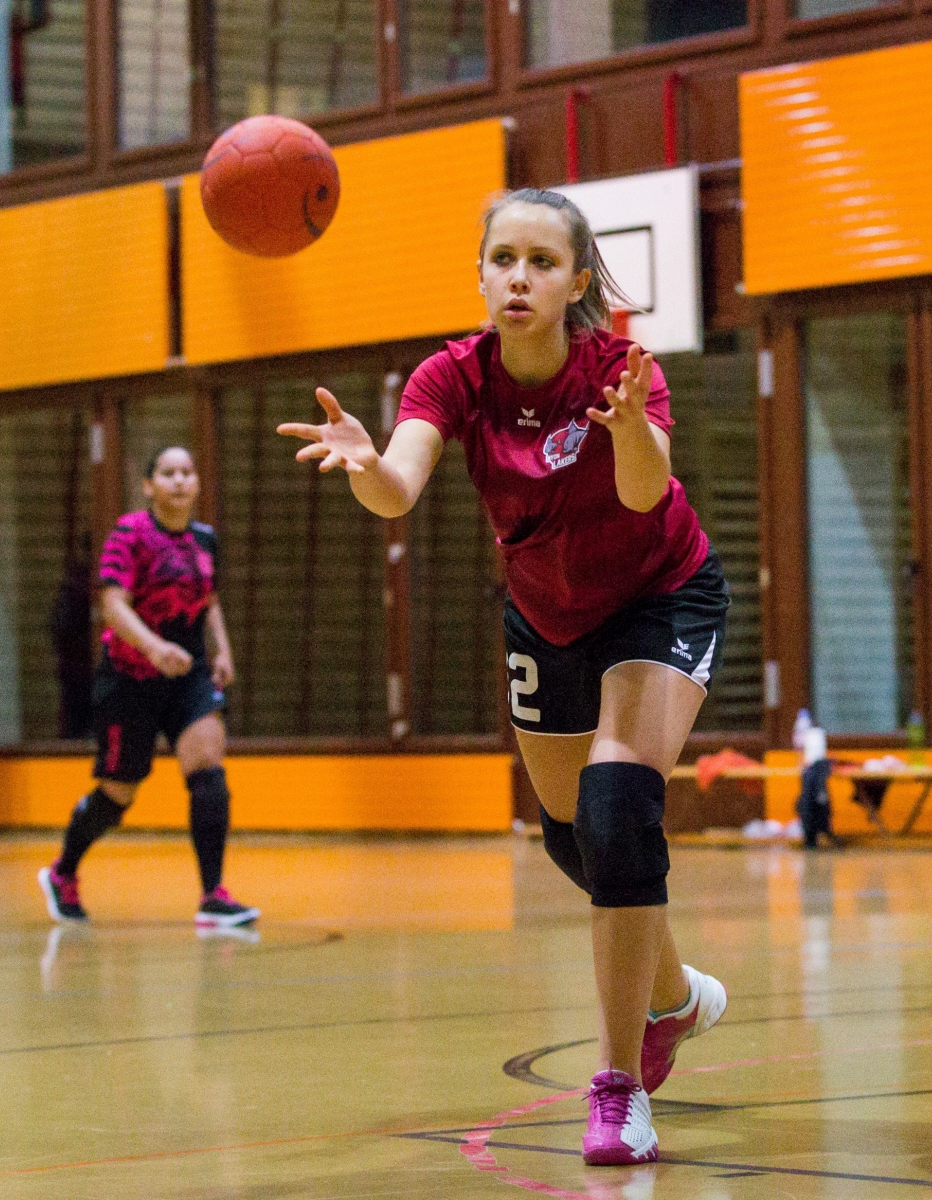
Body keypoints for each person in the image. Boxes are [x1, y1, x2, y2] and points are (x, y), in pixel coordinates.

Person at [279, 188, 728, 1167]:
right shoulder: (453, 377)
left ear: (576, 281)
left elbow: (648, 491)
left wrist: (627, 433)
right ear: (481, 273)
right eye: (501, 258)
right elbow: (399, 487)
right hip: (547, 617)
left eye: (539, 260)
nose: (517, 276)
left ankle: (618, 1095)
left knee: (617, 807)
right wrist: (363, 462)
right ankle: (676, 997)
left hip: (661, 597)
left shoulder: (620, 370)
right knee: (577, 839)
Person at [36, 447, 259, 931]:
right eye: (168, 472)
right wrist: (155, 648)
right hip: (129, 677)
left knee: (207, 766)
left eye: (187, 472)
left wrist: (223, 650)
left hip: (189, 673)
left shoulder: (205, 540)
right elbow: (113, 605)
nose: (179, 480)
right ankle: (63, 872)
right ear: (149, 485)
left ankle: (212, 895)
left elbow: (211, 601)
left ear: (197, 483)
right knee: (119, 791)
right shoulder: (129, 534)